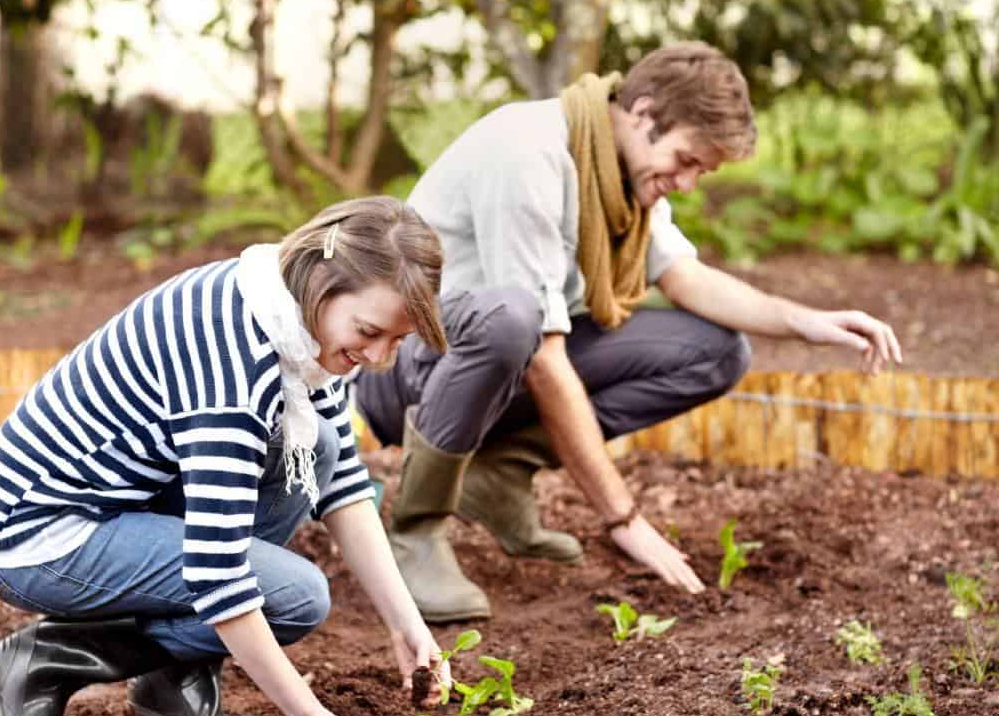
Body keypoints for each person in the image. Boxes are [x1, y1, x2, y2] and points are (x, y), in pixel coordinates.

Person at [354, 42, 903, 623]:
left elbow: (683, 275)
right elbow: (542, 354)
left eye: (702, 171)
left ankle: (496, 472)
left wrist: (807, 324)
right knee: (513, 320)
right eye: (687, 160)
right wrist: (623, 519)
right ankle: (416, 530)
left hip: (498, 363)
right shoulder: (527, 157)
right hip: (408, 364)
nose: (688, 183)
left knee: (714, 352)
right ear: (643, 115)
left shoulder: (615, 170)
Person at [0, 196, 450, 716]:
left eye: (396, 342)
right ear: (323, 281)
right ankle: (49, 656)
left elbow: (343, 482)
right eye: (370, 332)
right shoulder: (234, 363)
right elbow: (218, 572)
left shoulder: (288, 317)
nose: (377, 358)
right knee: (296, 596)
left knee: (318, 445)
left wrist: (408, 627)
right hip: (35, 533)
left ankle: (170, 682)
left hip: (125, 500)